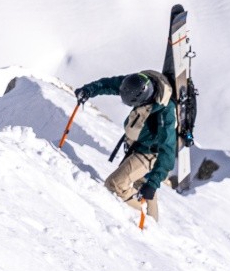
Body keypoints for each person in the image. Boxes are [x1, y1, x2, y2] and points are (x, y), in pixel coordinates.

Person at [74, 69, 177, 220]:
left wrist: (154, 183)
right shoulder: (136, 83)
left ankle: (145, 219)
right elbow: (109, 84)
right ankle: (151, 224)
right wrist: (88, 90)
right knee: (142, 185)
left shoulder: (165, 112)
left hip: (149, 153)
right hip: (137, 146)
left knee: (115, 184)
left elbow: (167, 149)